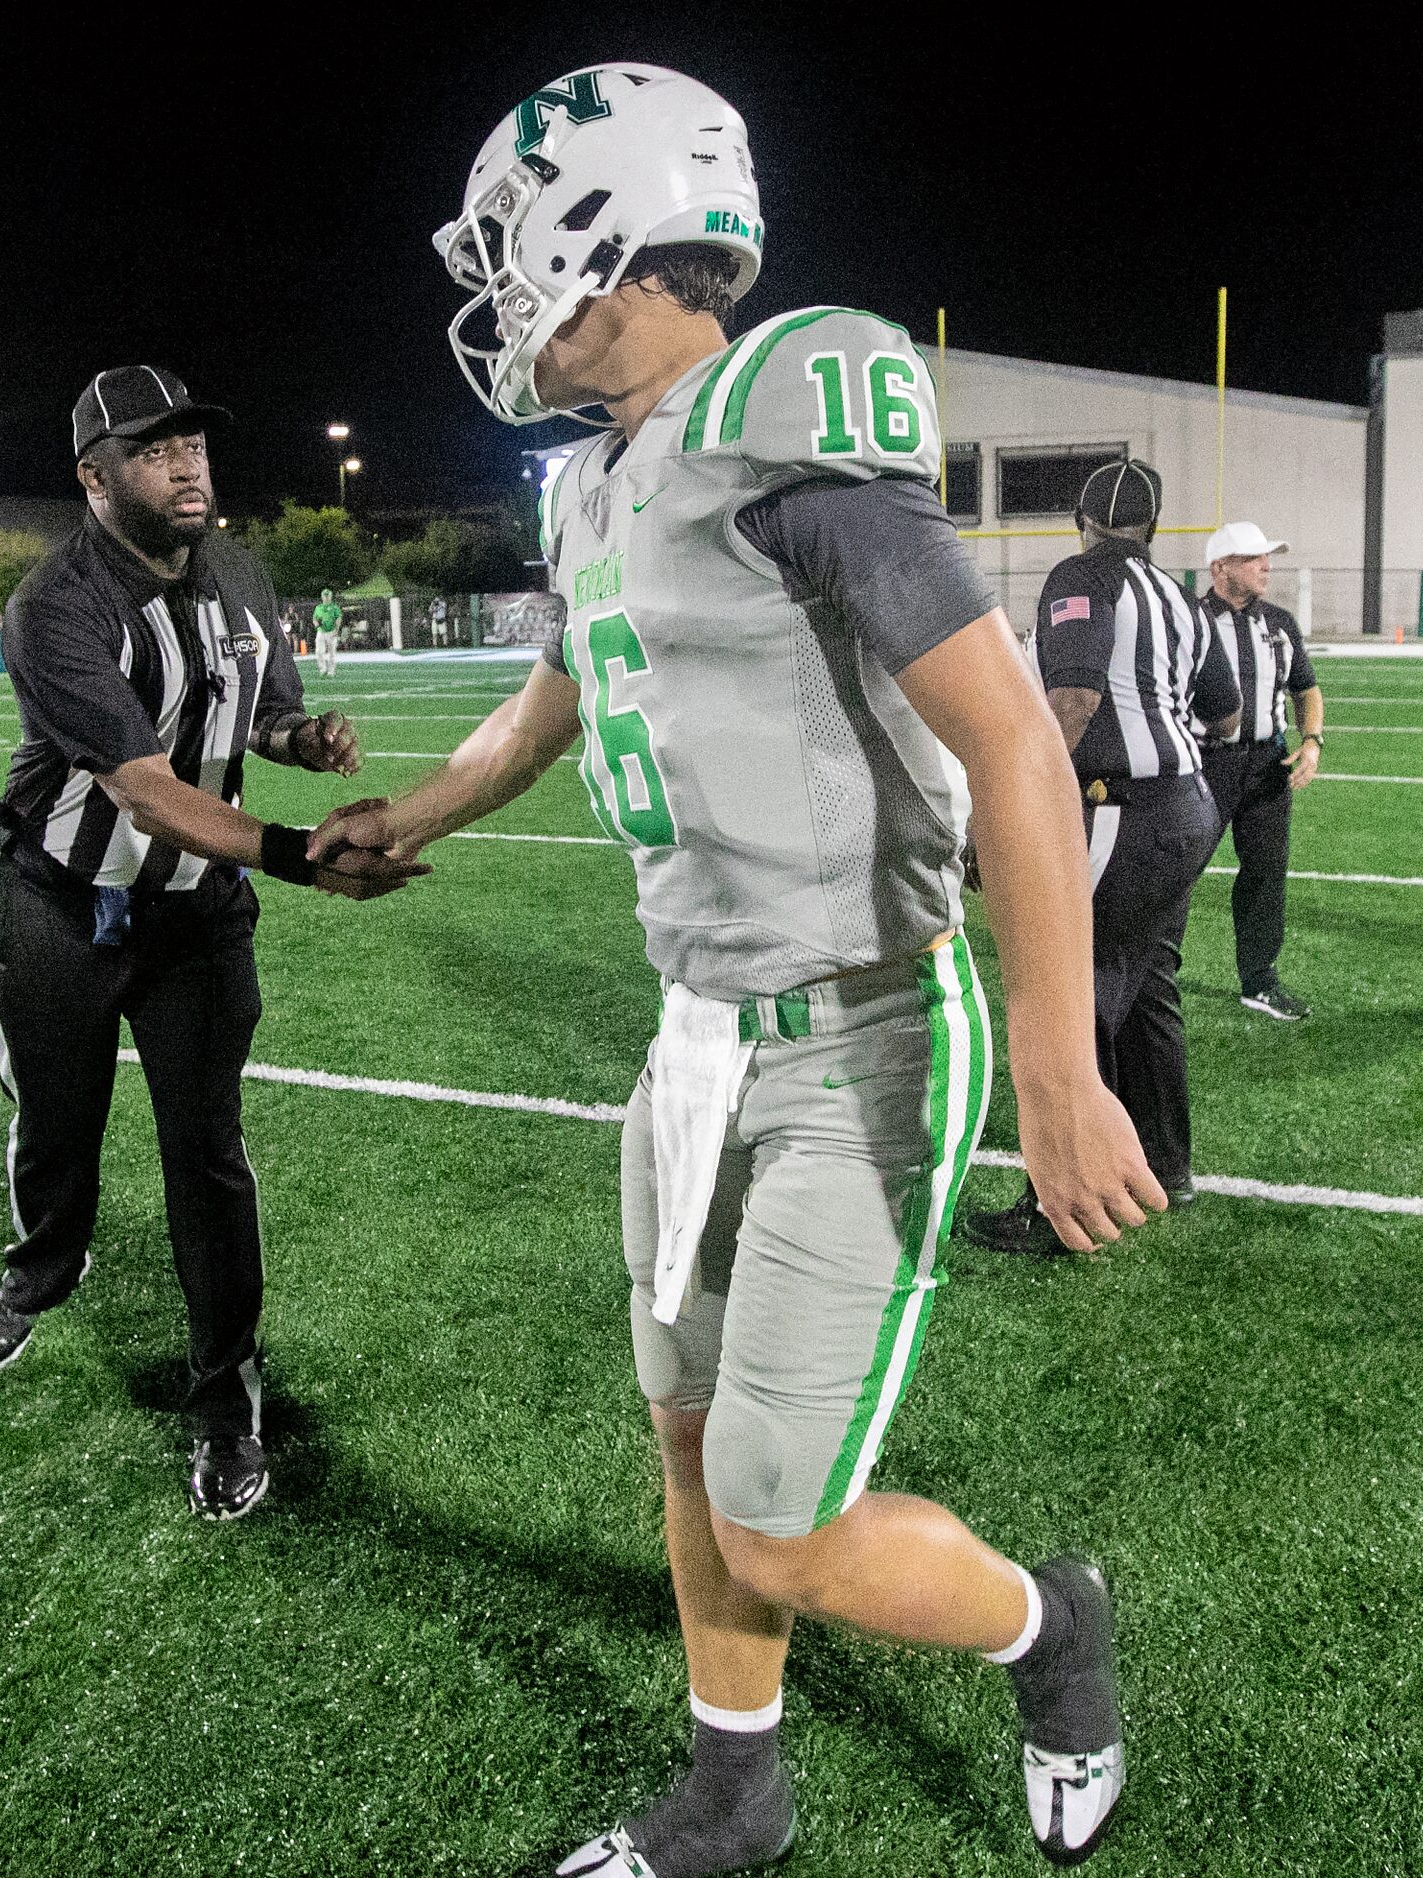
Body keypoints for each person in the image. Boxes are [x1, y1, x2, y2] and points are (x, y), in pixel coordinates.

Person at [346, 69, 1161, 1872]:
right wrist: (410, 813)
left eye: (507, 245)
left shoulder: (774, 420)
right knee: (688, 1437)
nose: (492, 286)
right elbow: (552, 707)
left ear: (593, 232)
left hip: (862, 1025)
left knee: (781, 1522)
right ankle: (735, 1784)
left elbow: (1014, 741)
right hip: (693, 1038)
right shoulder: (593, 486)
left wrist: (1054, 1064)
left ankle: (1052, 1627)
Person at [0, 365, 409, 1522]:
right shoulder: (53, 603)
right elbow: (147, 793)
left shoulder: (242, 573)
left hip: (198, 917)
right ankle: (41, 1269)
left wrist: (306, 739)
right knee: (54, 1115)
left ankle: (225, 1390)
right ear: (94, 479)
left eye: (193, 442)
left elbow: (259, 714)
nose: (187, 462)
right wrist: (302, 849)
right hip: (60, 898)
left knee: (204, 1152)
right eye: (155, 449)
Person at [967, 460, 1238, 1251]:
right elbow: (1223, 717)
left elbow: (1074, 699)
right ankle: (1163, 1164)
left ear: (1079, 520)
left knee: (1073, 991)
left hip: (1119, 807)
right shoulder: (1181, 598)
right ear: (1152, 528)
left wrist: (1010, 813)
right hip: (1183, 805)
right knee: (1147, 986)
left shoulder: (1081, 575)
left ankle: (1060, 1204)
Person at [1195, 521, 1324, 1020]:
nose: (1265, 565)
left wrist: (1311, 741)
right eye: (1252, 558)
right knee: (1178, 872)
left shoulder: (1280, 623)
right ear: (1220, 567)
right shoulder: (1191, 620)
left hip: (1268, 763)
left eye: (1266, 556)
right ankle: (1150, 972)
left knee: (1265, 874)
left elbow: (1306, 690)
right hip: (1204, 762)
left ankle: (1260, 980)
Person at [311, 587, 342, 676]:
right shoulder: (318, 608)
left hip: (331, 631)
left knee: (332, 652)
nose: (326, 598)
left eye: (328, 596)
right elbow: (314, 619)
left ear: (331, 597)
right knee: (319, 651)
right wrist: (316, 625)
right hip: (321, 631)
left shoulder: (334, 607)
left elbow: (338, 618)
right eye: (325, 596)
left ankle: (331, 671)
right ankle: (322, 669)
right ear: (322, 597)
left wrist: (337, 629)